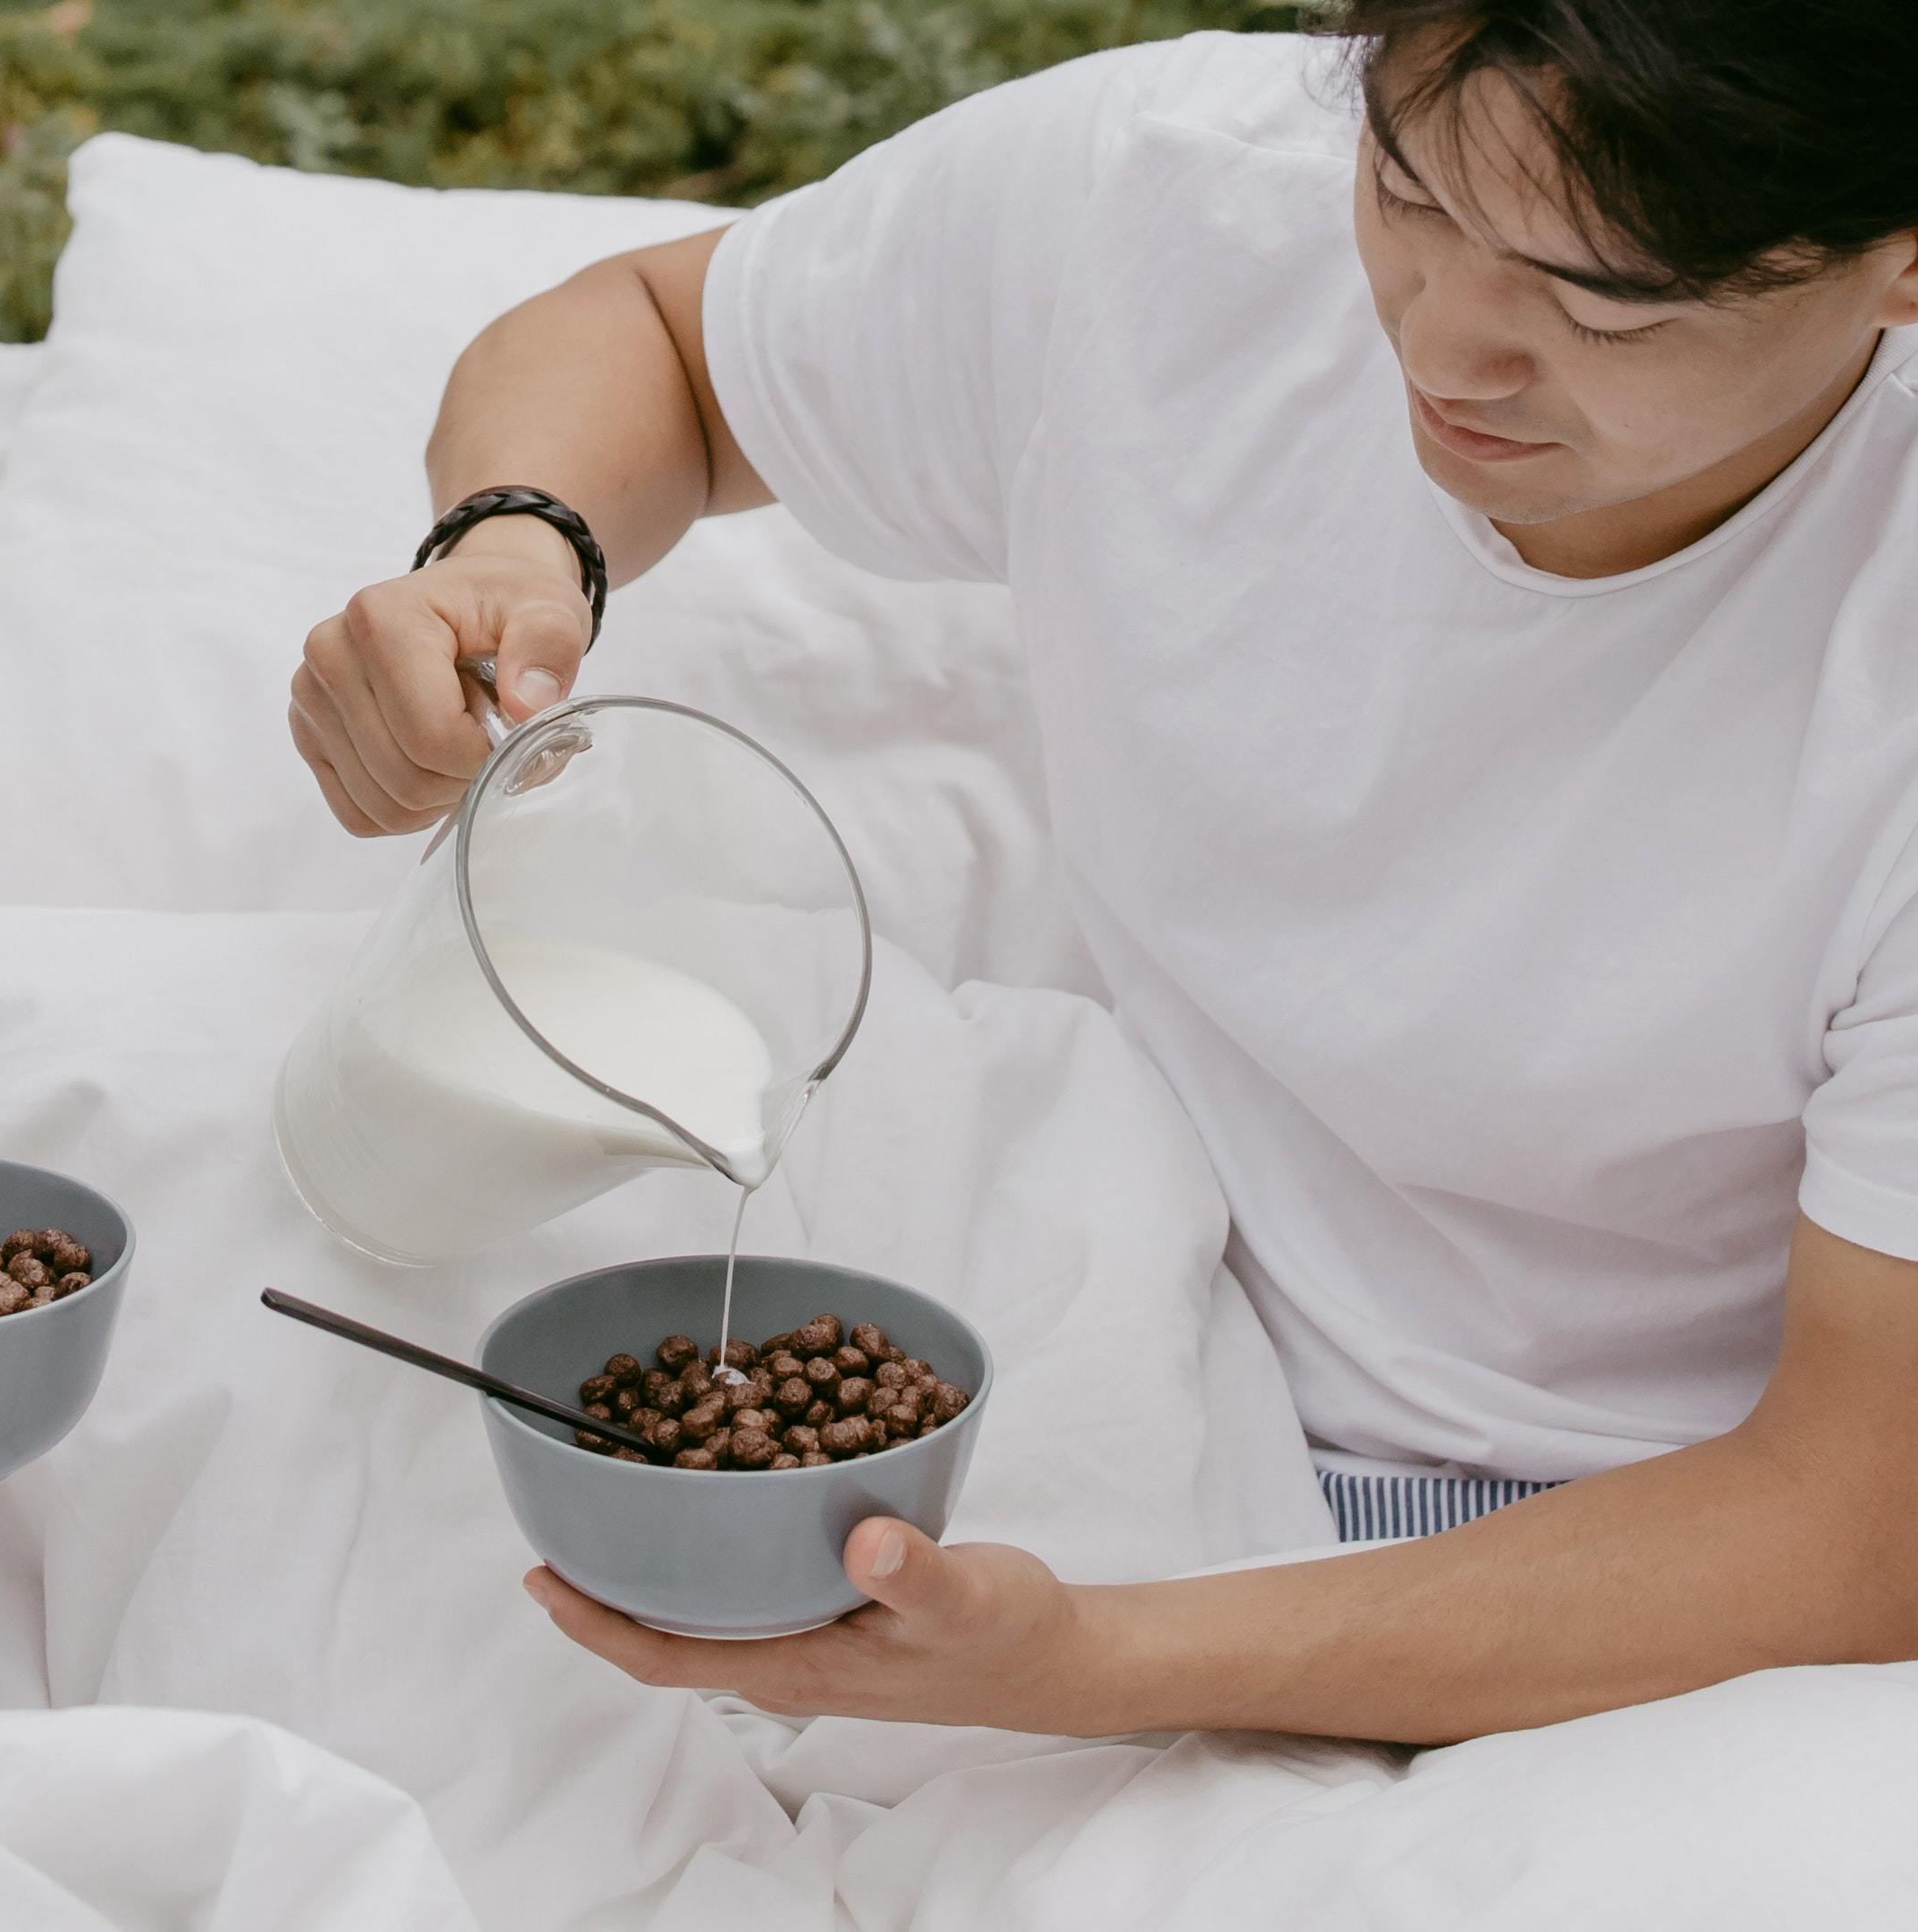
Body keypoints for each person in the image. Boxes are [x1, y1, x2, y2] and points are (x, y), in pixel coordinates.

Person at [288, 1, 1918, 1745]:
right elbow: (659, 345)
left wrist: (1092, 1667)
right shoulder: (1180, 196)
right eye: (1411, 192)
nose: (1445, 346)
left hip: (1597, 1551)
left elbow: (1851, 1530)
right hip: (1120, 1269)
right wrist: (519, 546)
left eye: (1605, 302)